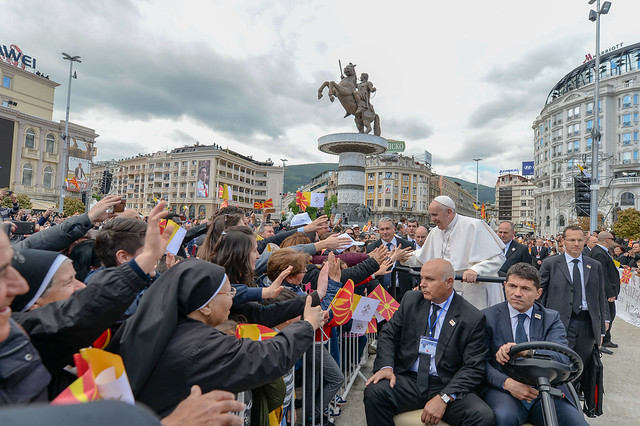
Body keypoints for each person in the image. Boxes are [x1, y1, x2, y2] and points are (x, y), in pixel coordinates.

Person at [108, 259, 326, 417]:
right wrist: (307, 325)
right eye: (229, 293)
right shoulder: (201, 344)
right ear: (206, 306)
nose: (233, 300)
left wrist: (311, 300)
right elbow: (268, 357)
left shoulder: (156, 327)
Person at [363, 258, 494, 426]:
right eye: (422, 277)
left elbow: (473, 367)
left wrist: (444, 398)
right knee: (375, 392)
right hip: (410, 380)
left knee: (482, 416)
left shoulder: (471, 317)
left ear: (449, 283)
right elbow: (388, 334)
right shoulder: (411, 300)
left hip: (446, 382)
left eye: (429, 279)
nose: (422, 284)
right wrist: (386, 367)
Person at [482, 262, 587, 426]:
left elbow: (562, 357)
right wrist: (507, 384)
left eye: (525, 289)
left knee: (576, 422)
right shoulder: (487, 318)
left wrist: (528, 352)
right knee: (504, 418)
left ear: (538, 293)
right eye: (512, 286)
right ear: (504, 286)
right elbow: (480, 362)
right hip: (505, 390)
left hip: (545, 389)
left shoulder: (550, 319)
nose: (517, 293)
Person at [405, 195, 505, 309]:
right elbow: (422, 256)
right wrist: (403, 257)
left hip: (475, 292)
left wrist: (476, 270)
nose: (432, 219)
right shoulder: (435, 232)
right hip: (447, 292)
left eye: (435, 215)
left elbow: (498, 258)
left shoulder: (474, 226)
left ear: (448, 212)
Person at [539, 225, 608, 388]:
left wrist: (603, 325)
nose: (576, 243)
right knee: (559, 361)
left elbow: (600, 295)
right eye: (571, 240)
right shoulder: (551, 264)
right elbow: (540, 293)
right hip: (560, 322)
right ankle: (559, 393)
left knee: (581, 363)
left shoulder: (594, 265)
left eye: (579, 240)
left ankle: (575, 393)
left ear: (585, 241)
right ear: (563, 242)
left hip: (587, 323)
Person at [586, 231, 620, 351]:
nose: (613, 240)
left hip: (606, 290)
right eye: (612, 238)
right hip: (605, 292)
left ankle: (606, 339)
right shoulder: (599, 253)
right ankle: (603, 340)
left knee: (610, 314)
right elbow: (602, 275)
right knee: (608, 315)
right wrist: (609, 292)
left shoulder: (600, 252)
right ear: (606, 239)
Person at [366, 217, 414, 300]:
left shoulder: (407, 245)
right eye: (382, 229)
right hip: (379, 292)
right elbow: (369, 272)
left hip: (403, 292)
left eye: (387, 229)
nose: (385, 232)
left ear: (394, 229)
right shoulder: (372, 248)